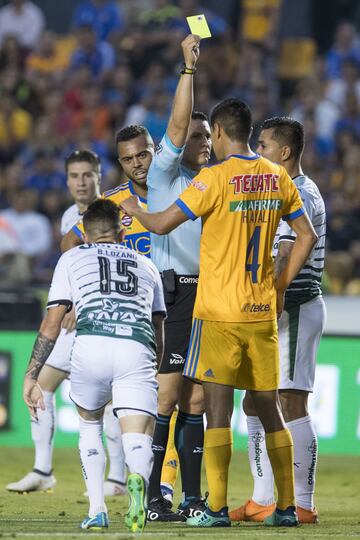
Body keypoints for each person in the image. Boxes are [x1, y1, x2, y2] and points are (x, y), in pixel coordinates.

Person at [121, 98, 318, 528]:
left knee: (217, 411)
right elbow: (305, 234)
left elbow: (161, 225)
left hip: (218, 314)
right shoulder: (277, 176)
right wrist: (280, 285)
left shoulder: (214, 178)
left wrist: (136, 210)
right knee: (268, 407)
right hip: (261, 312)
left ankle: (214, 507)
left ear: (219, 133)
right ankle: (287, 507)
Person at [23, 199, 166, 533]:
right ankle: (136, 483)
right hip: (135, 345)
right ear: (121, 231)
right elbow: (158, 328)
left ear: (85, 234)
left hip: (91, 344)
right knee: (138, 432)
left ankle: (97, 510)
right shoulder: (147, 265)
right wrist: (151, 370)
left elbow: (52, 324)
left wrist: (32, 375)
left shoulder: (72, 257)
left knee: (90, 423)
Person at [229, 117, 326, 524]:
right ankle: (262, 498)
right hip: (273, 308)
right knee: (253, 401)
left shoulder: (299, 192)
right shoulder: (278, 189)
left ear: (284, 152)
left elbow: (287, 250)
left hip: (296, 307)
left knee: (291, 400)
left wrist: (273, 293)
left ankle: (303, 501)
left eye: (264, 145)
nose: (257, 151)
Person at [144, 34, 212, 522]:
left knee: (197, 397)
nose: (202, 144)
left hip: (208, 296)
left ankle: (189, 500)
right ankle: (150, 496)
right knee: (167, 396)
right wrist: (187, 70)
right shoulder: (165, 176)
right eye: (195, 137)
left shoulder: (218, 179)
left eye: (208, 137)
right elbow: (175, 122)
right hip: (176, 292)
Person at [6, 150, 101, 494]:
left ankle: (118, 479)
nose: (81, 182)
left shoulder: (113, 213)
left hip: (100, 320)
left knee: (110, 404)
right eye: (74, 176)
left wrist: (84, 303)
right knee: (40, 388)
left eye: (87, 175)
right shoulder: (67, 217)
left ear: (98, 176)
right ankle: (43, 469)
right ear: (66, 180)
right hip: (70, 325)